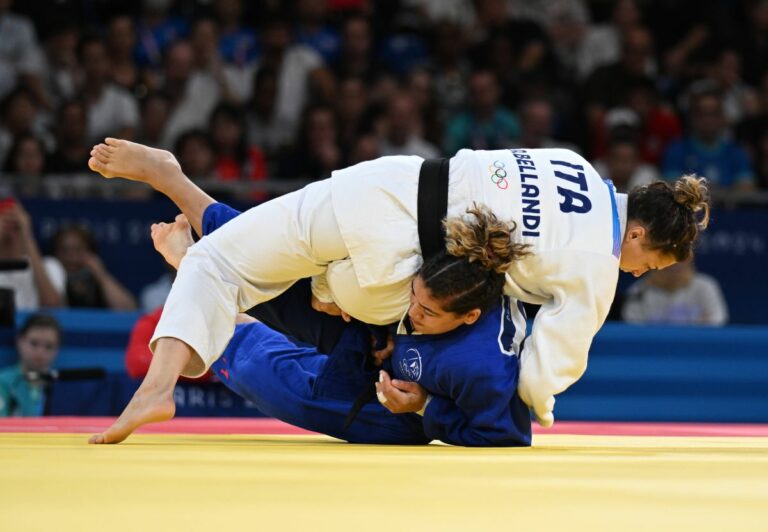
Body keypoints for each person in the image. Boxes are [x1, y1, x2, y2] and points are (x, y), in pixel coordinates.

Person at [86, 138, 710, 442]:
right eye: (648, 262)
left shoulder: (573, 163)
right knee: (332, 310)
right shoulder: (597, 266)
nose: (638, 274)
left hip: (389, 182)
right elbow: (545, 373)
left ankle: (156, 388)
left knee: (221, 262)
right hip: (407, 270)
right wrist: (535, 406)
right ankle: (326, 286)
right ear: (639, 232)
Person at [111, 200, 532, 446]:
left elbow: (506, 435)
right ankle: (197, 251)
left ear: (469, 317)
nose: (414, 314)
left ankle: (192, 264)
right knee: (280, 275)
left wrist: (423, 405)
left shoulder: (481, 369)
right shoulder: (460, 272)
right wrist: (389, 332)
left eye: (427, 313)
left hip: (391, 411)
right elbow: (416, 316)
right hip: (369, 341)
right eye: (414, 299)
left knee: (260, 370)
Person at [622, 257, 728, 326]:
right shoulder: (638, 291)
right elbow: (633, 327)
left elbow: (717, 321)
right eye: (669, 259)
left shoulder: (705, 286)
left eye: (680, 258)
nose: (675, 265)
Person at [0, 313, 61, 416]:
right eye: (34, 343)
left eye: (49, 346)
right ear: (20, 341)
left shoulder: (61, 387)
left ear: (57, 349)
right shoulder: (3, 382)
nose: (40, 352)